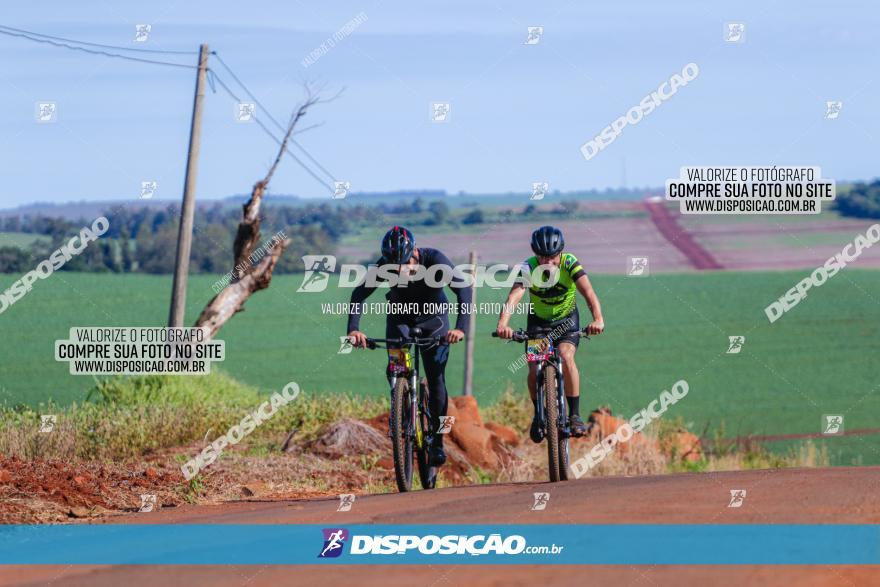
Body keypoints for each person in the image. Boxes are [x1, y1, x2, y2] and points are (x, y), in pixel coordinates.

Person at [346, 226, 471, 466]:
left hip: (434, 318)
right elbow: (359, 293)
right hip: (400, 317)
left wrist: (460, 328)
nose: (400, 270)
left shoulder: (435, 259)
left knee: (436, 380)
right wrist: (353, 329)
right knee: (396, 363)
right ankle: (401, 401)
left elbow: (463, 290)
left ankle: (437, 441)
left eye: (404, 264)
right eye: (394, 267)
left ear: (414, 252)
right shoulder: (385, 265)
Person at [495, 225, 604, 440]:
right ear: (535, 254)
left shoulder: (570, 263)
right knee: (535, 367)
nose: (547, 262)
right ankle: (538, 414)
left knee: (565, 355)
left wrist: (598, 319)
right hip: (538, 322)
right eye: (542, 257)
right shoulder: (528, 267)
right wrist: (503, 324)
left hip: (567, 321)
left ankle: (574, 415)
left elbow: (588, 292)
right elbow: (514, 297)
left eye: (552, 256)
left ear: (560, 252)